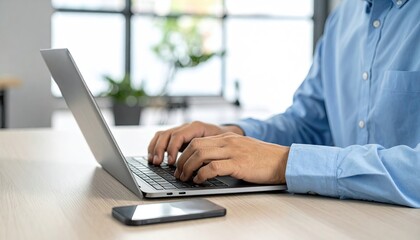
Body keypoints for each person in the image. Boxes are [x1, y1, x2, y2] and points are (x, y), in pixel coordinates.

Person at [147, 0, 420, 208]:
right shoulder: (343, 19)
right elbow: (308, 124)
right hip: (341, 220)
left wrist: (284, 163)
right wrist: (233, 137)